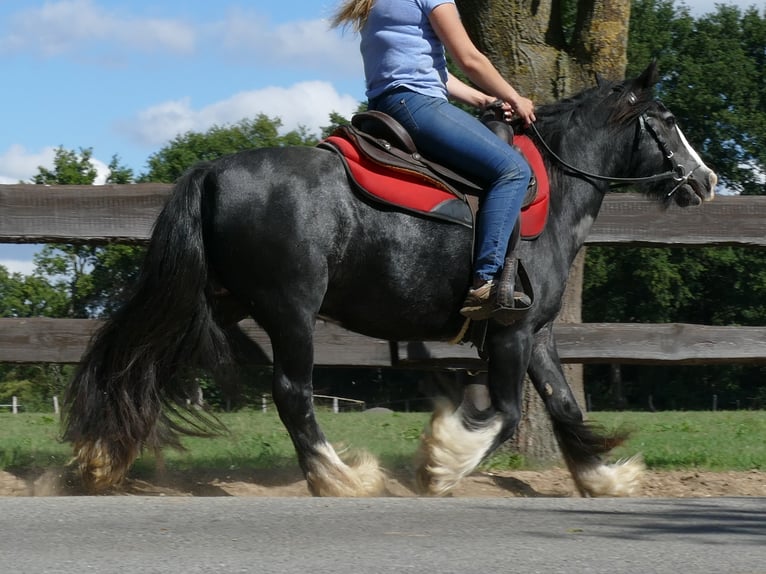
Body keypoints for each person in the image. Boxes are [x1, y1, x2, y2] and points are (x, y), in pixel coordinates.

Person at [332, 0, 536, 321]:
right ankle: (486, 281)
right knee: (512, 170)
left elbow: (429, 69)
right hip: (416, 104)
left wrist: (485, 99)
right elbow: (469, 59)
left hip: (387, 103)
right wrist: (515, 97)